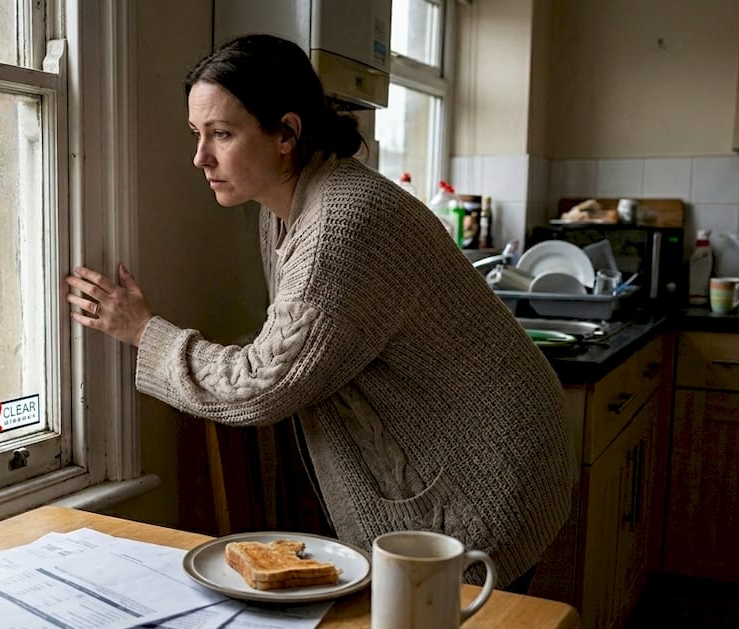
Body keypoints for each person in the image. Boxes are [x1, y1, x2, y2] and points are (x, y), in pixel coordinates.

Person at [64, 34, 574, 592]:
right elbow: (303, 350)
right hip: (475, 457)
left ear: (286, 132)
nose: (200, 157)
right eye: (197, 134)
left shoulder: (341, 225)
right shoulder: (284, 209)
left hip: (488, 479)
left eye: (222, 134)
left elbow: (262, 385)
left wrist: (142, 330)